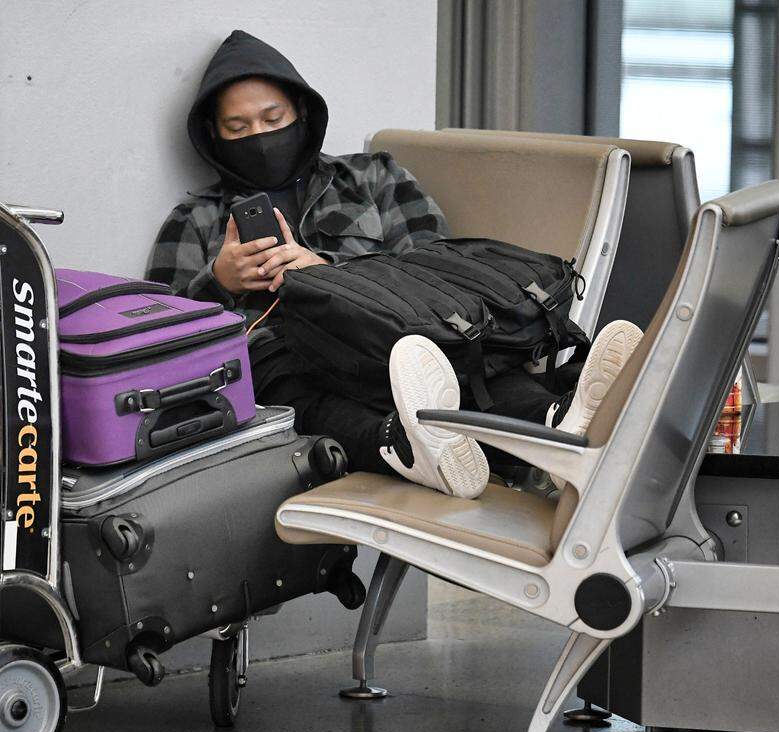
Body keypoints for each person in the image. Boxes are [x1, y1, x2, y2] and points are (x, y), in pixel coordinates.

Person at [148, 30, 643, 499]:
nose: (258, 136)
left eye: (272, 119)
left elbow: (434, 266)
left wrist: (329, 270)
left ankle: (557, 420)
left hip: (397, 339)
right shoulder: (195, 220)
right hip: (293, 363)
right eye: (238, 127)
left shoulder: (373, 178)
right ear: (213, 134)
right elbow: (157, 341)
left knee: (459, 356)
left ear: (301, 112)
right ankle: (421, 444)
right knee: (283, 376)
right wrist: (219, 281)